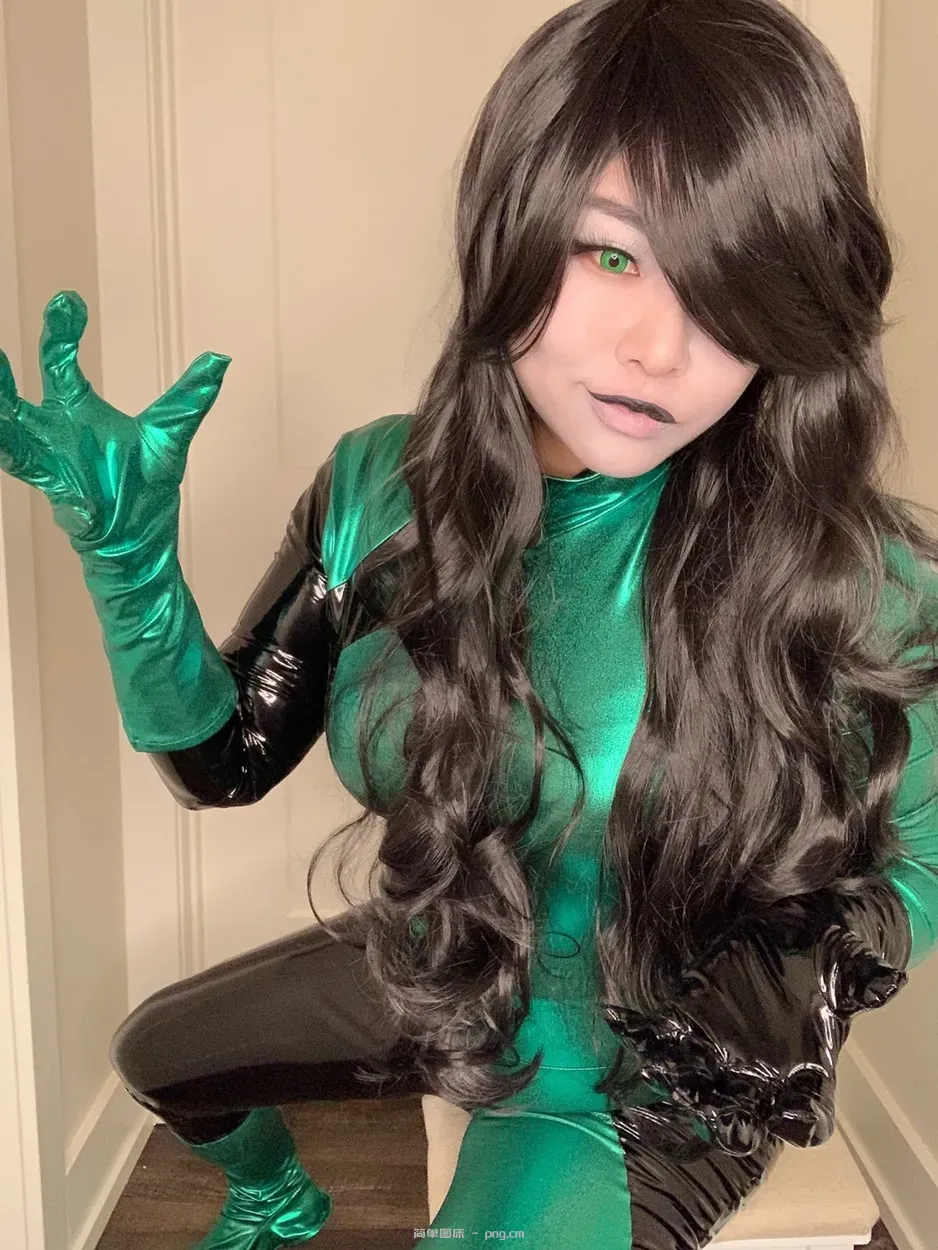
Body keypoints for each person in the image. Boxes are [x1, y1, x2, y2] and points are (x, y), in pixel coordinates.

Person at [2, 0, 938, 1246]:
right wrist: (129, 569)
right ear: (511, 227)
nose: (658, 348)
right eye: (610, 254)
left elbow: (919, 859)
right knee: (154, 1052)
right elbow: (223, 763)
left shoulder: (852, 570)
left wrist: (808, 956)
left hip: (632, 1080)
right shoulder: (378, 486)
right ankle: (275, 1193)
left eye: (727, 288)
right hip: (448, 957)